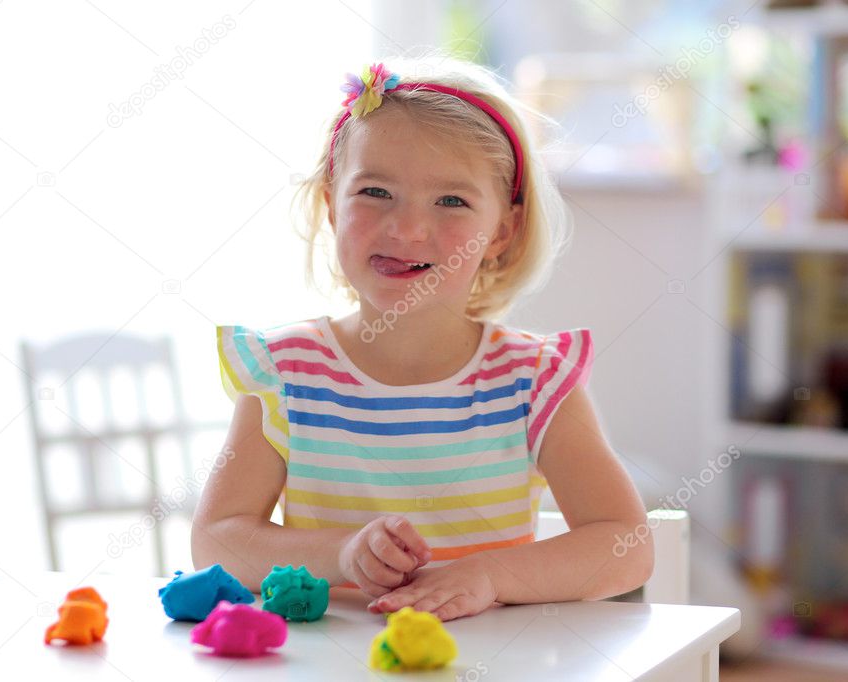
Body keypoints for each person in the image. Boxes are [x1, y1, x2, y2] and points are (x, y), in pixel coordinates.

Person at [191, 54, 652, 622]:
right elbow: (217, 540)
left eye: (452, 201)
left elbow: (625, 543)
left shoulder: (533, 380)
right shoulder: (285, 374)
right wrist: (341, 553)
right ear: (330, 205)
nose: (407, 228)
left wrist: (490, 573)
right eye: (376, 191)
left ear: (501, 231)